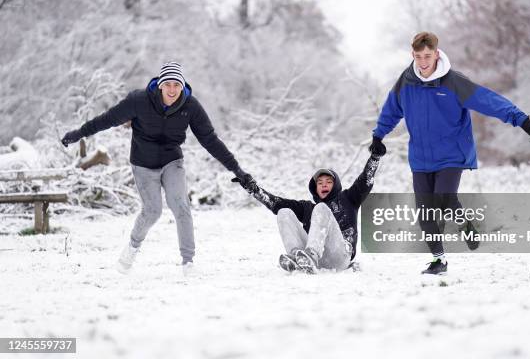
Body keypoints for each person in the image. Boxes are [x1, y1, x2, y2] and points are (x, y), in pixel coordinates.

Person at [369, 32, 530, 275]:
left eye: (427, 56)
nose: (423, 61)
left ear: (436, 54)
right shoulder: (405, 82)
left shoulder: (453, 82)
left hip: (452, 154)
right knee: (426, 213)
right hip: (420, 158)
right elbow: (391, 110)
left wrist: (521, 119)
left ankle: (464, 223)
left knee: (444, 198)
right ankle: (439, 261)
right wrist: (378, 136)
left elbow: (487, 100)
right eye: (418, 56)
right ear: (413, 55)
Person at [61, 62, 253, 276]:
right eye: (168, 84)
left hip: (172, 161)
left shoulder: (191, 107)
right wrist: (79, 133)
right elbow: (108, 119)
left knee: (181, 206)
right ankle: (132, 247)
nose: (172, 90)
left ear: (182, 87)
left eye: (176, 85)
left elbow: (210, 140)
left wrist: (237, 170)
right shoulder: (139, 100)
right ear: (160, 85)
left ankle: (188, 263)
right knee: (152, 211)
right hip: (143, 163)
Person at [233, 146, 386, 274]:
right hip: (315, 260)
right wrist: (254, 190)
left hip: (340, 257)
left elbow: (365, 181)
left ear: (336, 185)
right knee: (284, 212)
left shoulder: (349, 198)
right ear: (315, 188)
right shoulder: (307, 208)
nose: (324, 185)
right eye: (320, 183)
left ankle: (311, 255)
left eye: (328, 182)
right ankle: (297, 258)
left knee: (321, 208)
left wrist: (375, 157)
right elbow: (276, 203)